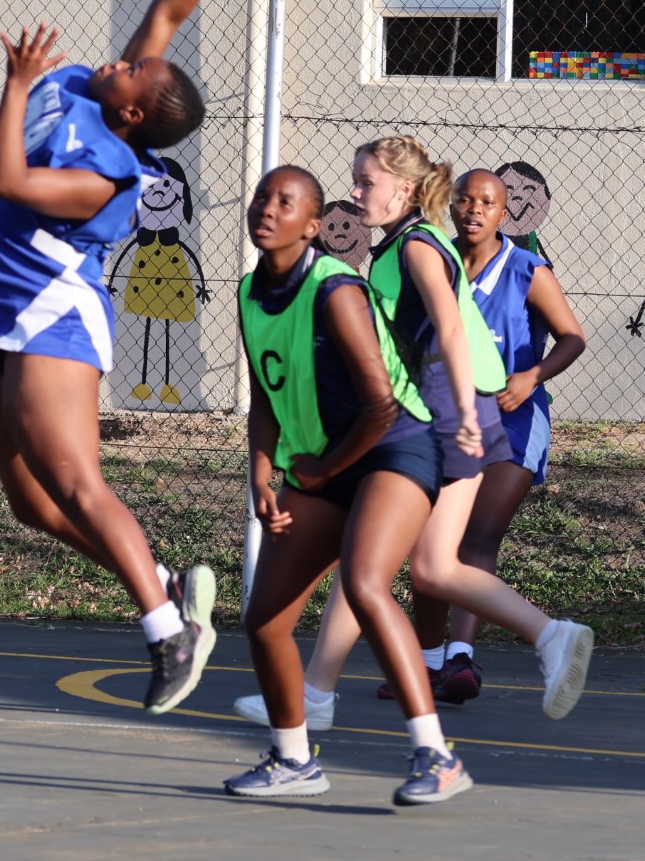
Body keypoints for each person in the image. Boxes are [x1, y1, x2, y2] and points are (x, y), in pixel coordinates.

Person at [0, 0, 260, 715]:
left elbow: (9, 180)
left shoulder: (104, 175)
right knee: (29, 504)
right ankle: (160, 579)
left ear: (132, 113)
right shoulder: (93, 88)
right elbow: (167, 17)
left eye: (136, 70)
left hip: (52, 316)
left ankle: (167, 632)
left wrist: (15, 84)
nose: (126, 54)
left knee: (79, 485)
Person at [234, 136, 593, 729]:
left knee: (411, 565)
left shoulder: (418, 247)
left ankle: (549, 634)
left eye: (365, 181)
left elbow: (452, 329)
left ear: (403, 189)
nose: (354, 191)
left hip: (451, 412)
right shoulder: (395, 248)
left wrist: (465, 416)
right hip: (436, 410)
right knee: (383, 561)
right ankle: (319, 693)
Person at [224, 164, 473, 806]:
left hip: (395, 447)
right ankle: (295, 759)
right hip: (325, 459)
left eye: (287, 202)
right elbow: (263, 396)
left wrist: (317, 472)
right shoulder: (251, 293)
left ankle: (436, 756)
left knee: (364, 583)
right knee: (265, 619)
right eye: (261, 197)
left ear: (313, 227)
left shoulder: (336, 291)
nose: (267, 209)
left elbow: (382, 407)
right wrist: (262, 475)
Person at [426, 167, 586, 702]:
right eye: (465, 200)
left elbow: (572, 338)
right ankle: (427, 660)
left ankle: (460, 660)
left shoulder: (526, 269)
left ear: (503, 212)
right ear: (451, 206)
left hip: (514, 416)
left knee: (478, 534)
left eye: (487, 202)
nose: (473, 209)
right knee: (427, 543)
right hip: (445, 417)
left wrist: (531, 375)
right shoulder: (432, 263)